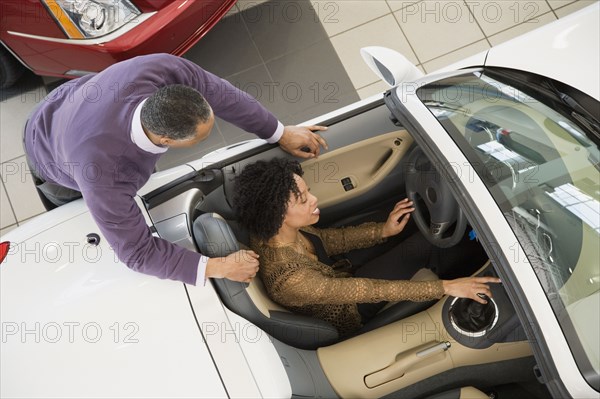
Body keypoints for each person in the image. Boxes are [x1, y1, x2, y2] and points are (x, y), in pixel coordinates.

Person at [23, 53, 327, 286]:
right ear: (166, 140)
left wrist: (279, 133)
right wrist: (218, 267)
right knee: (83, 216)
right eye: (201, 137)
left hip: (73, 101)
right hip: (48, 149)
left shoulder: (158, 68)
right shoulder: (102, 174)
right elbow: (137, 253)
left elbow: (221, 94)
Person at [234, 158, 500, 336]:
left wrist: (383, 230)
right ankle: (487, 246)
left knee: (405, 217)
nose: (314, 199)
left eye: (308, 191)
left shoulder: (275, 229)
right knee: (423, 245)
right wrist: (447, 287)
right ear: (276, 215)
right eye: (303, 200)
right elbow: (370, 290)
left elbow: (326, 241)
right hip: (352, 309)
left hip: (339, 272)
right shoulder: (290, 280)